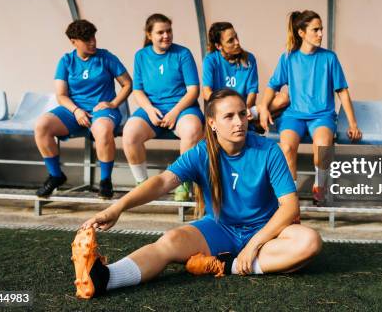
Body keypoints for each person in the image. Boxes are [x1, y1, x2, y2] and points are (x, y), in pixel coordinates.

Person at [72, 89, 322, 299]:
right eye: (229, 116)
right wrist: (118, 207)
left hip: (266, 231)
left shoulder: (269, 150)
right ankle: (106, 278)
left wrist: (253, 246)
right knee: (169, 242)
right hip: (219, 230)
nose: (239, 122)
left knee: (309, 242)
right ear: (212, 123)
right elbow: (161, 183)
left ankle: (227, 265)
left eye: (242, 114)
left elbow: (290, 207)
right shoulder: (201, 152)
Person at [258, 10, 362, 203]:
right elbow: (272, 86)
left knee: (323, 149)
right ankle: (290, 201)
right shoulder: (288, 58)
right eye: (315, 30)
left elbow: (343, 92)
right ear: (301, 33)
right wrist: (263, 107)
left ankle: (319, 186)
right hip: (293, 116)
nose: (321, 34)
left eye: (321, 29)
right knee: (286, 148)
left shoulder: (330, 58)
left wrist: (353, 124)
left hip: (322, 116)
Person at [34, 19, 132, 199]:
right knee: (42, 125)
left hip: (103, 110)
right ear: (73, 41)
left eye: (93, 37)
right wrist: (76, 111)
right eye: (87, 39)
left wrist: (114, 103)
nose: (93, 42)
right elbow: (61, 95)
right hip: (75, 111)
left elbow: (127, 84)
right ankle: (56, 175)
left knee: (102, 129)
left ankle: (105, 182)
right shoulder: (66, 61)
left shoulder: (106, 57)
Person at [122, 14, 203, 200]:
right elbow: (138, 90)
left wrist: (175, 113)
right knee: (130, 132)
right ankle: (142, 185)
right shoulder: (141, 56)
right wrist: (150, 110)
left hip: (182, 109)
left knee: (192, 130)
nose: (166, 35)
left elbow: (193, 91)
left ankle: (183, 182)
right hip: (153, 109)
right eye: (160, 32)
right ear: (149, 35)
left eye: (169, 31)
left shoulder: (183, 54)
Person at [202, 22, 289, 127]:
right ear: (219, 46)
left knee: (283, 99)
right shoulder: (210, 60)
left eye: (236, 37)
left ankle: (250, 121)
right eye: (230, 41)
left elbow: (252, 93)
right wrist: (226, 107)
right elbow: (206, 93)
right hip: (223, 111)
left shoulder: (249, 59)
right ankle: (253, 123)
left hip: (244, 109)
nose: (237, 42)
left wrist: (244, 110)